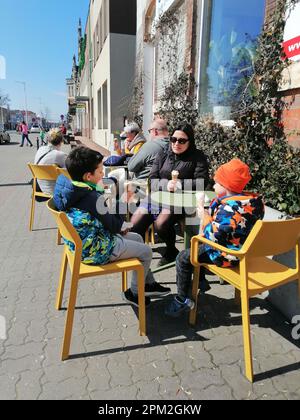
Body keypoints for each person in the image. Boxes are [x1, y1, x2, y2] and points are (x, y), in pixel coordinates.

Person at [53, 147, 171, 307]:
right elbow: (115, 226)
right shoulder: (92, 197)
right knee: (147, 251)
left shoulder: (71, 191)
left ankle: (148, 284)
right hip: (97, 250)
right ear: (88, 176)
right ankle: (134, 293)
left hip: (81, 246)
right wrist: (123, 203)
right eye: (100, 171)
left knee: (137, 238)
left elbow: (104, 220)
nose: (103, 175)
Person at [165, 159, 265, 317]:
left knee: (184, 256)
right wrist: (214, 205)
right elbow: (230, 220)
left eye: (216, 182)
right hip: (246, 252)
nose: (213, 185)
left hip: (227, 255)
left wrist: (203, 214)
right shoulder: (254, 203)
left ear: (226, 187)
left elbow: (212, 235)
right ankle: (201, 281)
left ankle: (182, 299)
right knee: (197, 249)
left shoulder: (228, 209)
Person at [131, 121, 209, 266]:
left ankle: (171, 250)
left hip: (181, 201)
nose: (176, 143)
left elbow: (202, 182)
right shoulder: (163, 153)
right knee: (135, 223)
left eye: (181, 140)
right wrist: (166, 184)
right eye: (173, 139)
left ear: (189, 141)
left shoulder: (197, 157)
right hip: (157, 197)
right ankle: (140, 258)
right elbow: (152, 179)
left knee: (161, 224)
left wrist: (179, 185)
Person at [34, 128, 67, 195]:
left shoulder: (40, 149)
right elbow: (69, 172)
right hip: (56, 191)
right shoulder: (60, 155)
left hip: (40, 189)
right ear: (61, 142)